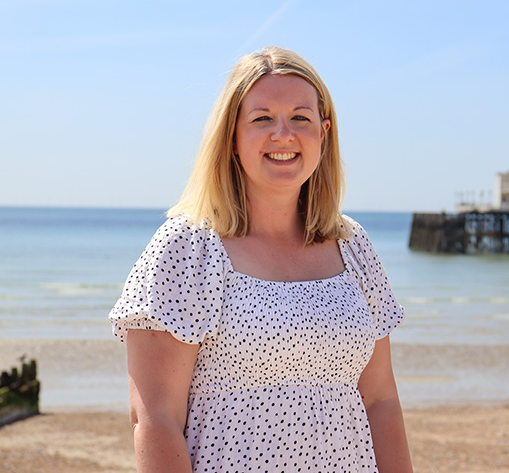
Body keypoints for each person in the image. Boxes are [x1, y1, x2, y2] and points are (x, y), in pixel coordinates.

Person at [109, 46, 413, 472]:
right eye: (262, 118)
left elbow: (381, 401)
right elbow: (155, 418)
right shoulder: (188, 247)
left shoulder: (353, 244)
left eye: (301, 118)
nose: (283, 134)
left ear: (323, 134)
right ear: (232, 137)